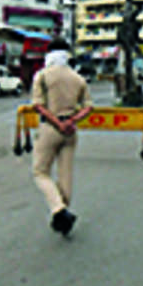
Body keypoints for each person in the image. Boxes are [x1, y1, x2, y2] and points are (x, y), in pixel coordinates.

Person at [30, 43, 93, 237]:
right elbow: (88, 107)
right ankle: (62, 217)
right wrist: (71, 120)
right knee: (65, 174)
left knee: (40, 172)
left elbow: (38, 106)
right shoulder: (78, 78)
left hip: (50, 128)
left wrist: (57, 122)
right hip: (70, 130)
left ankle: (59, 210)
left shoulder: (42, 76)